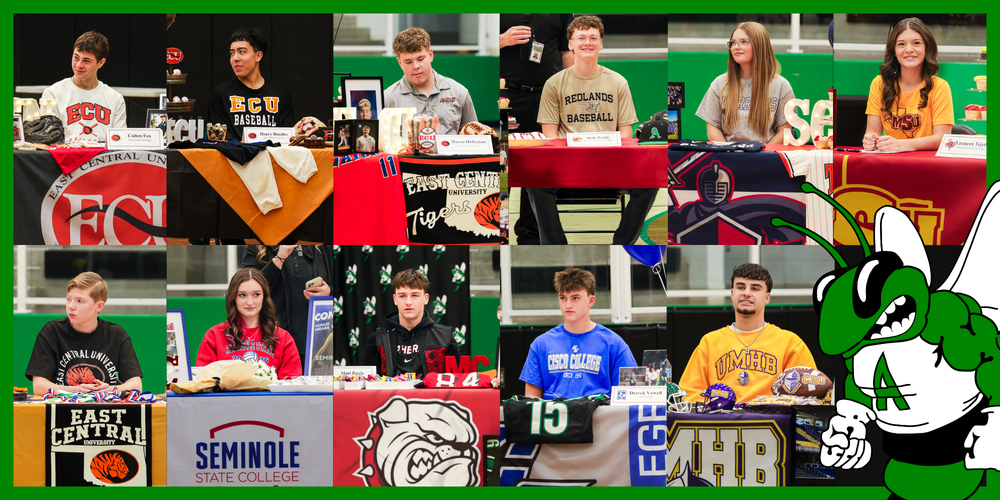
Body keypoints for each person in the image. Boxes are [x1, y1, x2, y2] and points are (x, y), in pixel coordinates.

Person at [527, 15, 656, 245]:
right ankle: (555, 245)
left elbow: (626, 133)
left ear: (601, 43)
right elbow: (550, 136)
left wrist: (611, 158)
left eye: (593, 37)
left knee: (650, 181)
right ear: (570, 44)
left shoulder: (618, 82)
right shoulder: (554, 83)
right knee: (534, 182)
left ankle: (622, 243)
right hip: (568, 166)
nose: (587, 42)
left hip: (610, 165)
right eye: (581, 37)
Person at [677, 263, 817, 403]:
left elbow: (809, 394)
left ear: (767, 297)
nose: (746, 293)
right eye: (740, 287)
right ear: (732, 294)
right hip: (722, 422)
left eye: (755, 288)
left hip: (771, 422)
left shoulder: (791, 343)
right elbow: (689, 392)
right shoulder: (709, 342)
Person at [500, 14, 574, 245]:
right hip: (506, 95)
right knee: (502, 166)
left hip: (548, 95)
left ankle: (529, 235)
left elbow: (566, 51)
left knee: (539, 168)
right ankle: (497, 230)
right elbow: (478, 49)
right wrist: (501, 39)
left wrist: (568, 92)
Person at [519, 268, 637, 399]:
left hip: (597, 416)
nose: (568, 305)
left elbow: (630, 394)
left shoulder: (615, 344)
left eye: (575, 298)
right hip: (555, 417)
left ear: (591, 301)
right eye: (563, 298)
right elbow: (531, 400)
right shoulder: (540, 344)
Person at [25, 272, 142, 394]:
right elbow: (38, 386)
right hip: (64, 410)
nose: (70, 306)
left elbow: (136, 385)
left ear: (99, 306)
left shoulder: (116, 334)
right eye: (69, 299)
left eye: (80, 301)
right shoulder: (51, 332)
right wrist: (74, 390)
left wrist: (111, 389)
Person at [863, 17, 954, 152]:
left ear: (926, 47)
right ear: (894, 51)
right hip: (891, 163)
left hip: (928, 165)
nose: (909, 49)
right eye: (901, 44)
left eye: (916, 43)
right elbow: (872, 132)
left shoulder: (940, 87)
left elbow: (942, 138)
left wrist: (901, 145)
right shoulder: (879, 83)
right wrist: (870, 140)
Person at [695, 22, 795, 144]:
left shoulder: (781, 86)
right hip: (728, 157)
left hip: (766, 158)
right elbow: (712, 127)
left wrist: (762, 156)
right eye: (733, 42)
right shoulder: (719, 84)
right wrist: (727, 152)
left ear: (760, 45)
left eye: (744, 41)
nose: (736, 46)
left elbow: (784, 131)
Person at [196, 268, 302, 379]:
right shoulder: (214, 336)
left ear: (264, 298)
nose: (250, 302)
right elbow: (204, 381)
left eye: (256, 294)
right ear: (233, 298)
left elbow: (290, 385)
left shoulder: (283, 338)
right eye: (242, 295)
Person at [243, 245, 333, 373]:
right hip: (273, 337)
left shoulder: (319, 247)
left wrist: (329, 290)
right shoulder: (257, 247)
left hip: (314, 338)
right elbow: (250, 289)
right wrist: (280, 257)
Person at [363, 269, 460, 377]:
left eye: (415, 295)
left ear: (425, 298)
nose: (408, 302)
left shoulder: (444, 337)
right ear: (395, 299)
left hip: (433, 395)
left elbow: (455, 384)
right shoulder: (378, 339)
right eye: (402, 296)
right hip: (391, 394)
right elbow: (368, 386)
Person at [384, 28, 478, 135]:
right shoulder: (388, 98)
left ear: (430, 55)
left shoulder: (459, 92)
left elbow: (474, 138)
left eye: (420, 59)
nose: (416, 66)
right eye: (408, 62)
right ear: (399, 63)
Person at [209, 27, 295, 141]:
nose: (235, 58)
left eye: (242, 52)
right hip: (233, 159)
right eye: (232, 53)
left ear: (258, 56)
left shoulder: (281, 94)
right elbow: (218, 139)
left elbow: (288, 141)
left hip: (271, 158)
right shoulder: (220, 94)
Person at [40, 31, 126, 142]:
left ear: (101, 63)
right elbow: (49, 140)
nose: (79, 65)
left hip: (102, 158)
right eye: (76, 57)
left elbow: (120, 144)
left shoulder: (115, 99)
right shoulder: (52, 94)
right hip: (65, 158)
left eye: (86, 61)